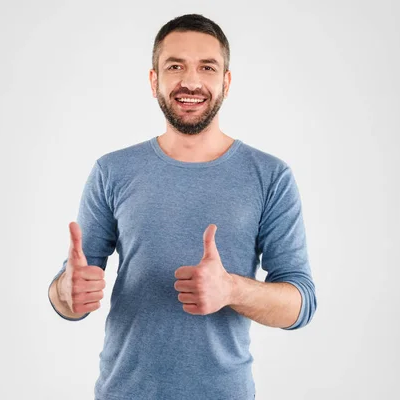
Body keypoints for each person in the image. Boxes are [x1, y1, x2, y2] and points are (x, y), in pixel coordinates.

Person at [48, 13, 317, 400]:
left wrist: (233, 290)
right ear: (154, 79)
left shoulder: (270, 176)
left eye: (206, 67)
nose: (190, 81)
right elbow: (69, 297)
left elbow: (301, 302)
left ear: (225, 81)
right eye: (175, 66)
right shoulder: (112, 171)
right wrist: (67, 293)